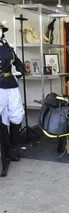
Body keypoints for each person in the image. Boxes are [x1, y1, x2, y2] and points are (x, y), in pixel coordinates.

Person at [0, 23, 25, 162]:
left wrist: (20, 72)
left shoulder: (7, 46)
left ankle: (14, 146)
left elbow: (18, 62)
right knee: (2, 117)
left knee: (16, 113)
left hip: (11, 84)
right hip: (0, 87)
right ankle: (7, 149)